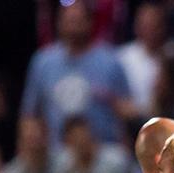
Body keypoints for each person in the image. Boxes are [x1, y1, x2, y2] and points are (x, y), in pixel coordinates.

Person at [19, 0, 133, 146]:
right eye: (69, 21)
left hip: (102, 154)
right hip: (56, 155)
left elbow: (127, 112)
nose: (73, 26)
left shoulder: (110, 62)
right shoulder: (43, 62)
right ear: (59, 22)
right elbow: (29, 115)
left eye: (78, 21)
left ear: (90, 21)